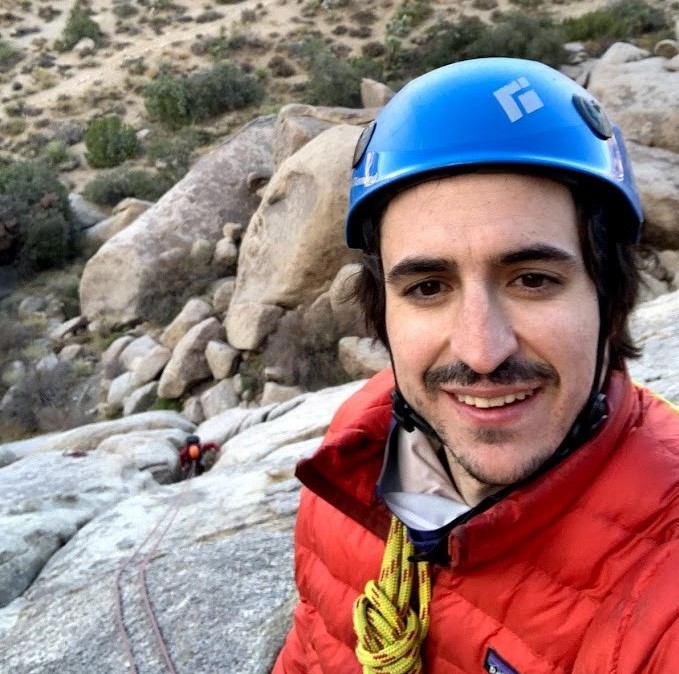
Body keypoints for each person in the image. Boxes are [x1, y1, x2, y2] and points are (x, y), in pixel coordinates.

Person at [273, 57, 679, 673]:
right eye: (428, 288)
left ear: (611, 298)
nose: (481, 351)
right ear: (384, 312)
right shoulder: (358, 450)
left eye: (533, 279)